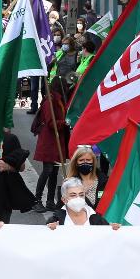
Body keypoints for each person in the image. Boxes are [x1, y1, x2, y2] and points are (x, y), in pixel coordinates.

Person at [31, 77, 70, 211]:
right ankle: (37, 200)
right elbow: (50, 123)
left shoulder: (59, 100)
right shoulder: (50, 101)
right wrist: (64, 123)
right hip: (49, 141)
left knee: (54, 172)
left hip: (57, 141)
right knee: (47, 170)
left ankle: (50, 201)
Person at [65, 145, 105, 210]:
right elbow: (61, 209)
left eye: (88, 160)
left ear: (93, 162)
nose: (85, 163)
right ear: (76, 163)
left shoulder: (104, 181)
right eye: (81, 160)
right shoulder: (69, 183)